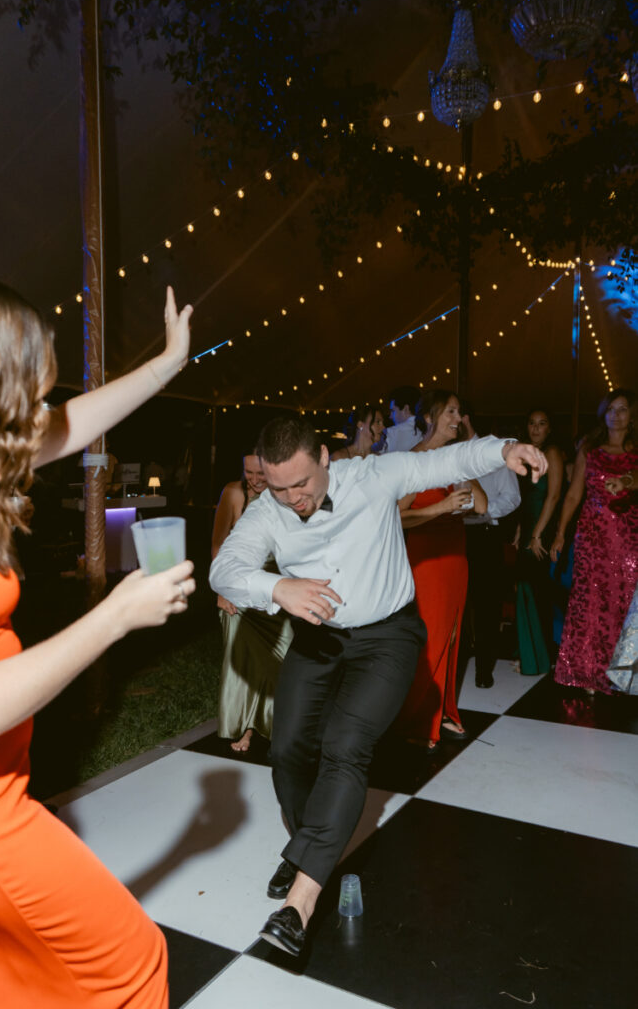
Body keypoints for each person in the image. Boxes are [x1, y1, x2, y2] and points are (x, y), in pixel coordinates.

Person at [209, 416, 547, 956]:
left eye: (301, 483)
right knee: (288, 750)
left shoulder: (373, 476)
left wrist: (504, 448)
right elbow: (224, 568)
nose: (294, 498)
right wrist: (277, 586)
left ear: (324, 457)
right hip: (317, 636)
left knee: (345, 745)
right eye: (280, 488)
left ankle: (298, 905)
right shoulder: (269, 509)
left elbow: (444, 461)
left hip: (387, 636)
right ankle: (309, 847)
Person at [0, 274, 195, 1008]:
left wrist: (166, 364)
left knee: (10, 988)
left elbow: (71, 426)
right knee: (131, 964)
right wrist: (114, 616)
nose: (43, 414)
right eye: (29, 395)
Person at [395, 391, 487, 749]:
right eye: (451, 411)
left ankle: (442, 711)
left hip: (455, 559)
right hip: (426, 561)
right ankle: (415, 720)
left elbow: (482, 505)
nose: (458, 418)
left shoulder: (454, 458)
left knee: (450, 638)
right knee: (428, 639)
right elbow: (398, 517)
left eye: (459, 412)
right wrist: (441, 508)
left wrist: (463, 464)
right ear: (430, 417)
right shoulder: (413, 461)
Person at [551, 388, 638, 694]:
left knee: (624, 604)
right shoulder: (590, 449)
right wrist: (560, 532)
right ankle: (588, 672)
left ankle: (622, 675)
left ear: (632, 414)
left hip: (629, 540)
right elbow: (574, 494)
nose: (617, 415)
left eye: (623, 409)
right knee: (590, 603)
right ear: (603, 414)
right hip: (592, 538)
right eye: (611, 409)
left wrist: (627, 480)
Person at [211, 450, 293, 753]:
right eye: (249, 472)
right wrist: (222, 589)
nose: (255, 480)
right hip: (239, 589)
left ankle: (277, 724)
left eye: (261, 473)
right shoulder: (234, 493)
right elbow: (218, 543)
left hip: (274, 589)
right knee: (242, 659)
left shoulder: (284, 495)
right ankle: (245, 726)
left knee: (283, 658)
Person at [460, 403, 522, 687]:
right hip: (450, 536)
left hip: (484, 535)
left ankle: (483, 670)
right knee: (457, 606)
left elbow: (512, 497)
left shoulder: (492, 451)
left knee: (486, 607)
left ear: (465, 418)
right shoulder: (444, 454)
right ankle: (455, 669)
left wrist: (482, 511)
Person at [514, 409, 564, 676]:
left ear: (549, 428)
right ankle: (530, 654)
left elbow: (553, 496)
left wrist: (536, 534)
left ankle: (540, 658)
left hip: (541, 531)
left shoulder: (552, 453)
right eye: (532, 423)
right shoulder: (526, 454)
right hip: (528, 528)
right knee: (526, 588)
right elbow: (525, 497)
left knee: (536, 590)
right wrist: (521, 529)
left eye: (541, 424)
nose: (535, 428)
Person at [384, 385, 423, 452]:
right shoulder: (429, 431)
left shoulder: (390, 433)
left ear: (406, 409)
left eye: (393, 411)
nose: (390, 416)